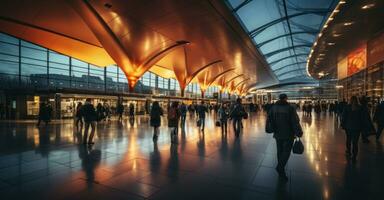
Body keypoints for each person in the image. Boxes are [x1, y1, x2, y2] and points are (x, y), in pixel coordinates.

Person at [266, 94, 303, 181]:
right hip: (288, 134)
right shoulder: (290, 108)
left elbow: (269, 119)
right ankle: (280, 167)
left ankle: (281, 169)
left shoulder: (273, 108)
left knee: (279, 151)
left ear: (279, 98)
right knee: (286, 152)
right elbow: (295, 122)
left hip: (277, 134)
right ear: (286, 98)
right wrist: (298, 132)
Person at [341, 96, 365, 161]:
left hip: (348, 127)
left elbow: (343, 117)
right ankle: (354, 156)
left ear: (350, 100)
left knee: (348, 139)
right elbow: (363, 118)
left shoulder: (347, 107)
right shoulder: (360, 108)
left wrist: (342, 125)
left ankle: (348, 151)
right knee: (355, 142)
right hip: (357, 127)